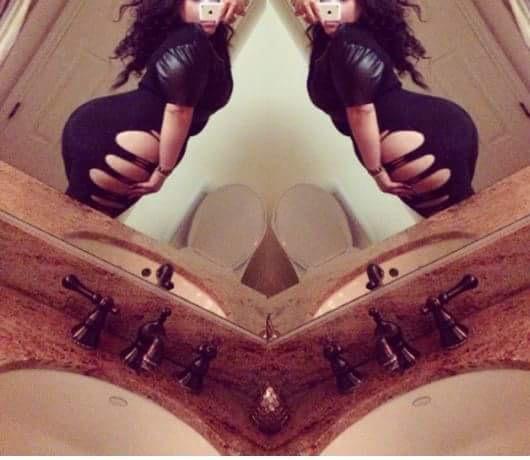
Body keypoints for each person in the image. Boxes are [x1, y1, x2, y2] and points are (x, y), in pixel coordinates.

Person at [61, 0, 248, 217]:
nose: (207, 7)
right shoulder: (191, 41)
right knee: (77, 221)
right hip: (116, 142)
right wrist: (163, 172)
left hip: (110, 134)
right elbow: (178, 112)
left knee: (76, 219)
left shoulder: (204, 42)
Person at [293, 0, 479, 217]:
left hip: (420, 142)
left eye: (343, 1)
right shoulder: (336, 42)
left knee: (462, 221)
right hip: (429, 132)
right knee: (467, 218)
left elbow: (361, 112)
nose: (332, 6)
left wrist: (376, 172)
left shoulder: (348, 42)